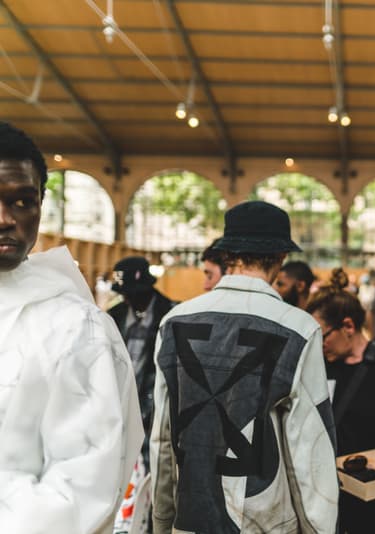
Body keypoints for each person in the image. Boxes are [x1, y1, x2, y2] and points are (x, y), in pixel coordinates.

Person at [150, 200, 338, 534]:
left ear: (227, 254)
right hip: (263, 522)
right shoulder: (299, 329)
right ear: (281, 258)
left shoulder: (174, 321)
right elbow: (310, 451)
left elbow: (163, 437)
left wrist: (163, 519)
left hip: (190, 519)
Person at [0, 121, 142, 531]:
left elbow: (82, 485)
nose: (5, 219)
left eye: (22, 202)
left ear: (41, 204)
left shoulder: (74, 327)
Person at [306, 268, 375, 534]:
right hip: (327, 498)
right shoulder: (317, 368)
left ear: (348, 327)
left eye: (322, 336)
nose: (318, 345)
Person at [107, 255, 176, 470]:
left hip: (156, 411)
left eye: (131, 294)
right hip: (116, 409)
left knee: (152, 469)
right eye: (123, 294)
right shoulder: (114, 316)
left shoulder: (172, 315)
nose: (126, 299)